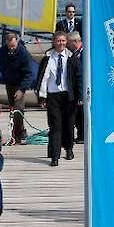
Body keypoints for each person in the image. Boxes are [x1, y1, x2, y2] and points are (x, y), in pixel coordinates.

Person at [36, 30, 81, 166]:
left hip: (68, 96)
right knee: (55, 127)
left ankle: (68, 149)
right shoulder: (47, 58)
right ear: (54, 42)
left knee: (68, 125)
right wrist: (41, 98)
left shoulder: (71, 57)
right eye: (58, 41)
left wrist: (79, 96)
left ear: (66, 42)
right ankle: (54, 156)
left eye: (63, 41)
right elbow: (41, 79)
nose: (61, 43)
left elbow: (78, 77)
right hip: (53, 96)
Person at [0, 30, 37, 144]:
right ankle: (21, 130)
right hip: (9, 82)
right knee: (12, 108)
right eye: (9, 46)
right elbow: (2, 66)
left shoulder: (23, 53)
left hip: (20, 83)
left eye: (13, 46)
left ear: (17, 42)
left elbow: (28, 74)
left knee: (18, 109)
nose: (11, 49)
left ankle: (17, 137)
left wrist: (21, 89)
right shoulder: (2, 51)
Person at [67, 31, 84, 143]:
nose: (67, 46)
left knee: (82, 113)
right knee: (77, 114)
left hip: (84, 88)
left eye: (68, 43)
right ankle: (80, 135)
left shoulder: (85, 53)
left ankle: (83, 135)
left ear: (75, 42)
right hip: (76, 88)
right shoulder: (75, 53)